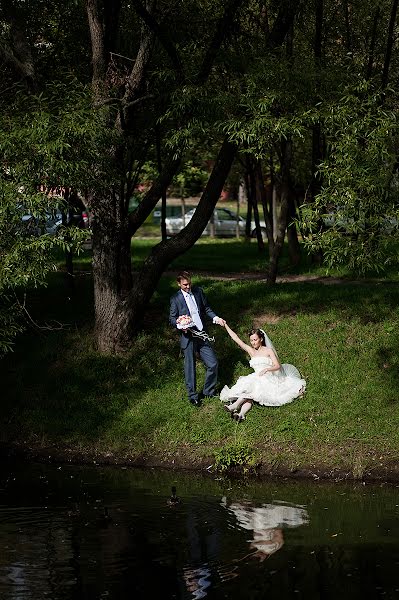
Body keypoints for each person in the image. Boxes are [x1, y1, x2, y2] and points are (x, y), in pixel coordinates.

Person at [220, 323, 306, 421]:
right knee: (249, 392)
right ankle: (241, 414)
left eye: (255, 340)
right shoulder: (251, 351)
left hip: (268, 377)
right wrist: (225, 325)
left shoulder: (268, 350)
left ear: (261, 339)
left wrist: (267, 369)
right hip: (256, 376)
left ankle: (235, 406)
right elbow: (236, 339)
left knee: (251, 389)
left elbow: (277, 366)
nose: (253, 342)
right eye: (251, 340)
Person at [169, 271, 225, 407]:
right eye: (185, 285)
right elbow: (171, 318)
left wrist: (216, 318)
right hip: (187, 336)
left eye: (189, 283)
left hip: (201, 333)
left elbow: (206, 308)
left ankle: (208, 391)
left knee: (213, 363)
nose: (188, 287)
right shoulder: (175, 299)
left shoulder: (198, 292)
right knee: (190, 367)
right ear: (179, 284)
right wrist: (180, 325)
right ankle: (193, 396)